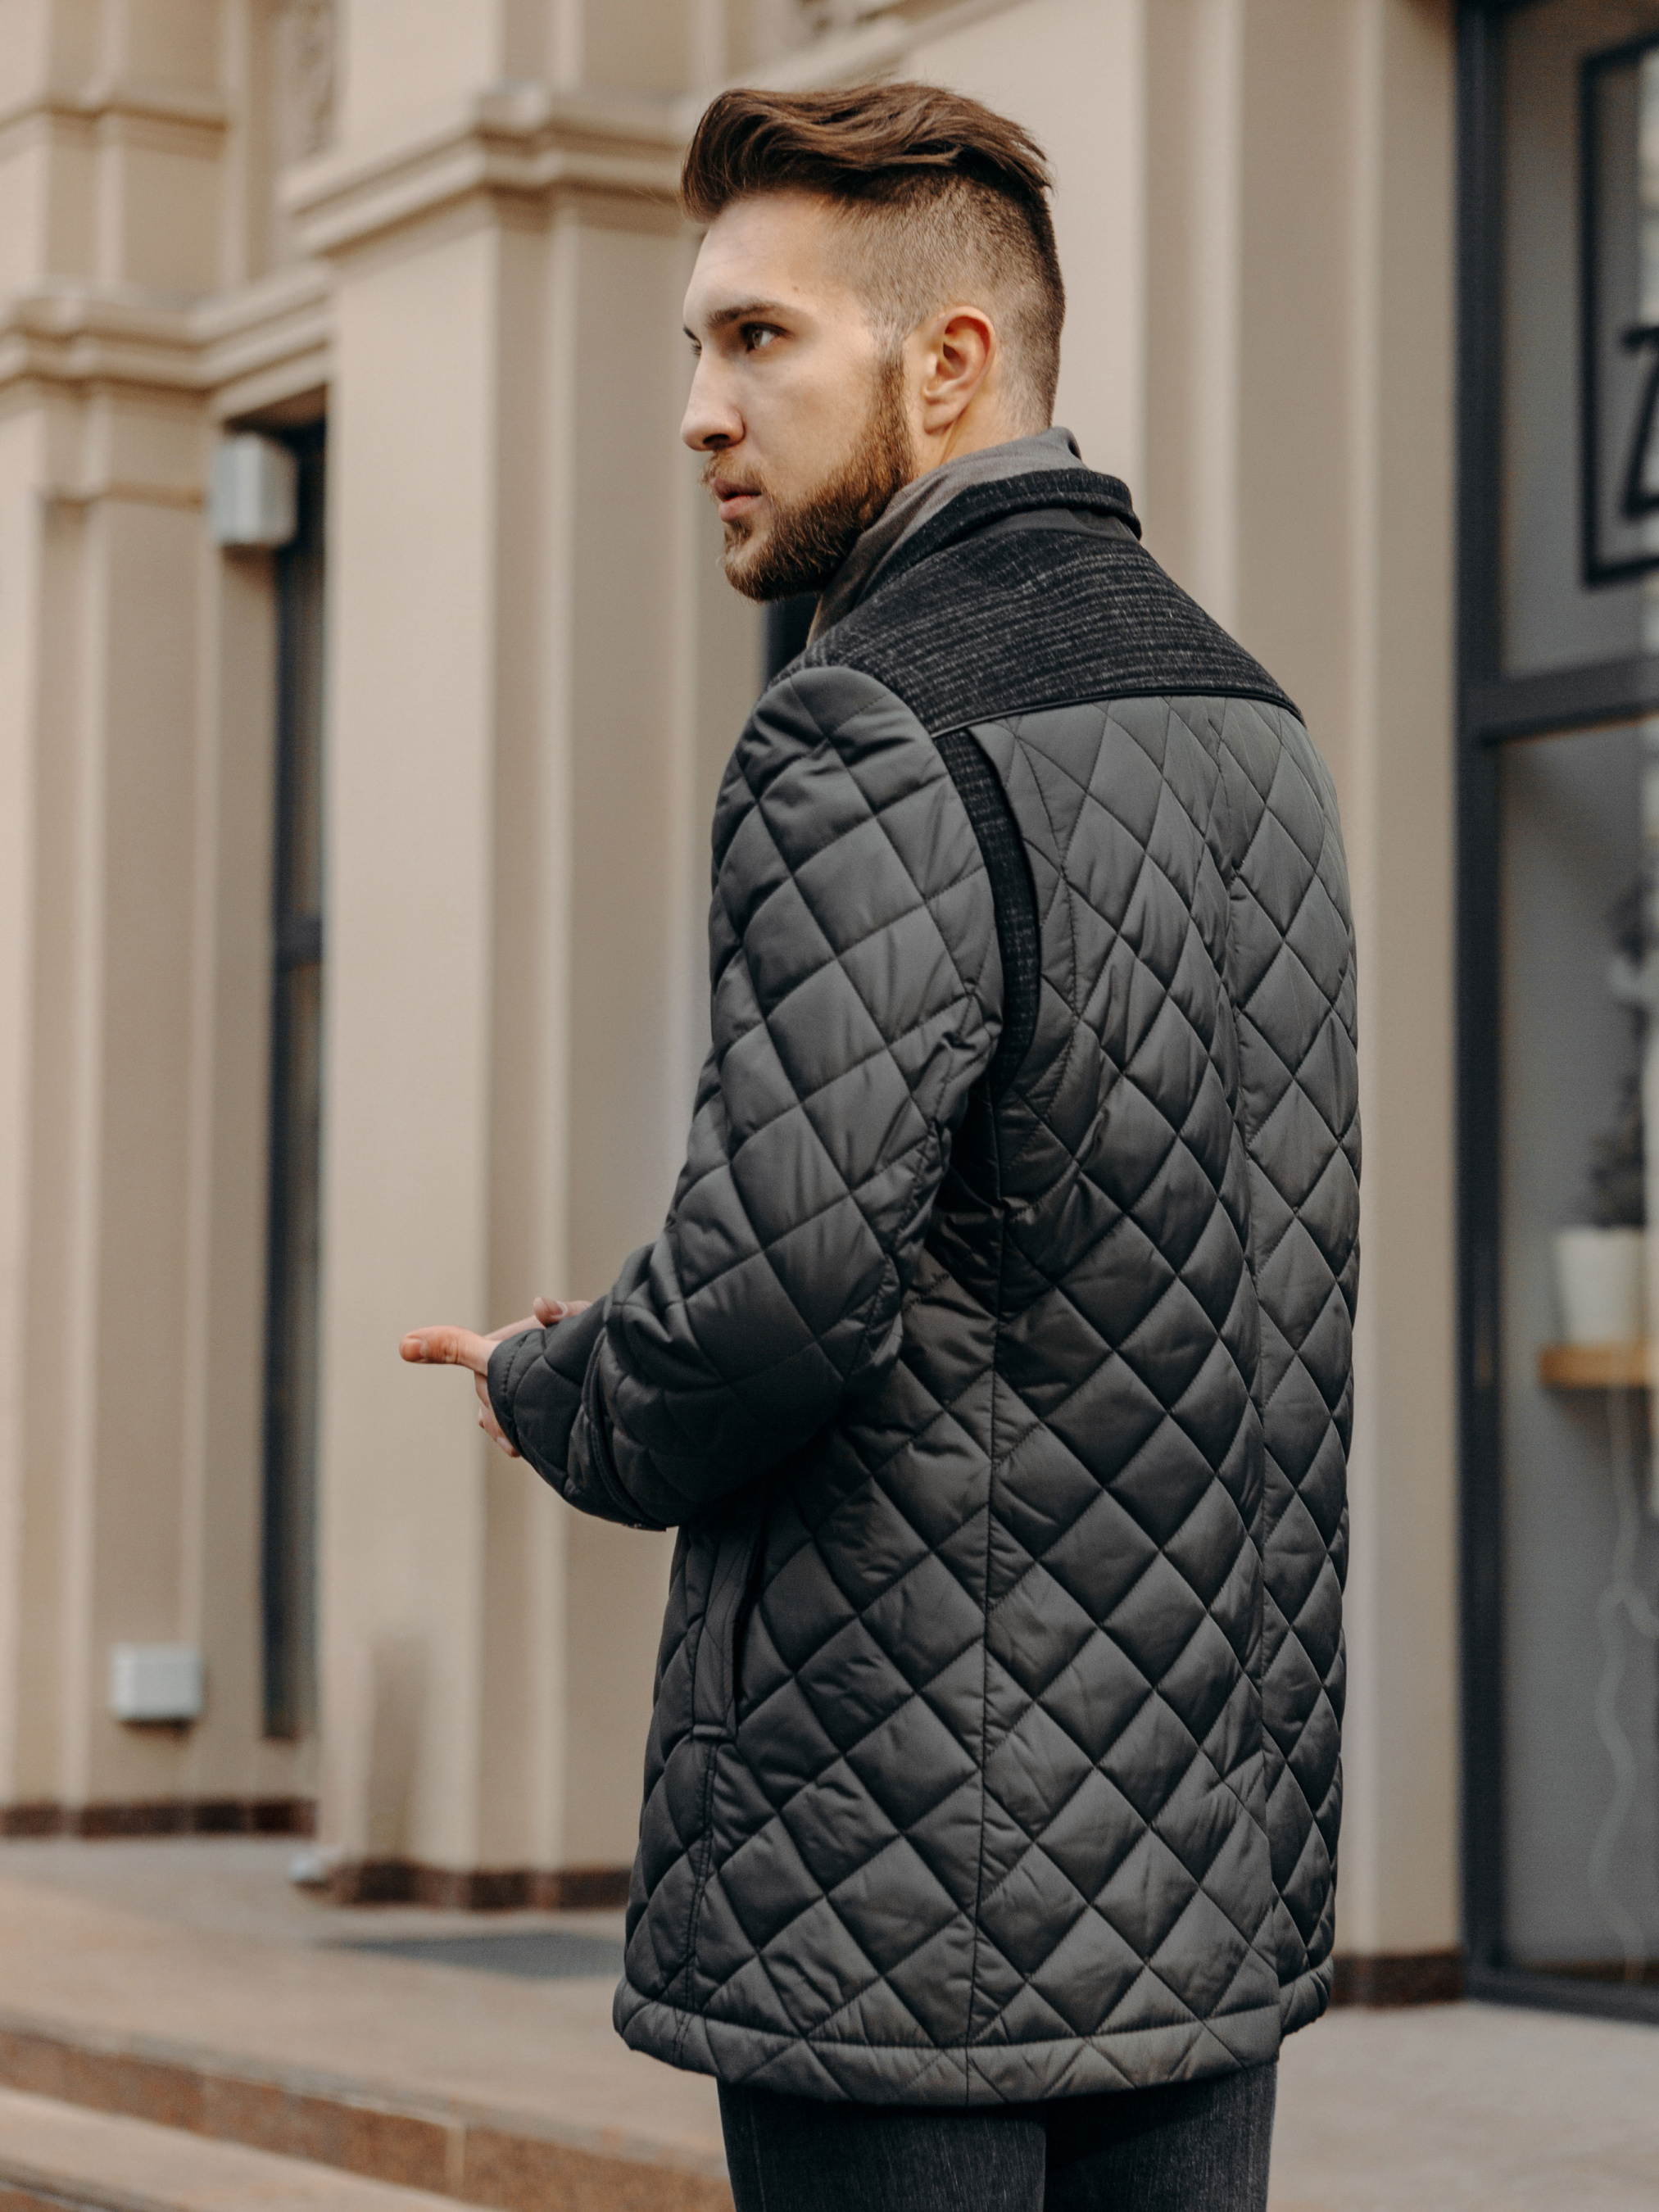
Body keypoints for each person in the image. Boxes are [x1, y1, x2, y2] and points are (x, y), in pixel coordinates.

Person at [402, 81, 1358, 2212]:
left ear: (948, 365)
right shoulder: (1255, 729)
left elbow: (764, 1305)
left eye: (759, 340)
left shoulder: (864, 721)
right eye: (696, 346)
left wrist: (555, 1381)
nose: (699, 413)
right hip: (1204, 1877)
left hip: (902, 1888)